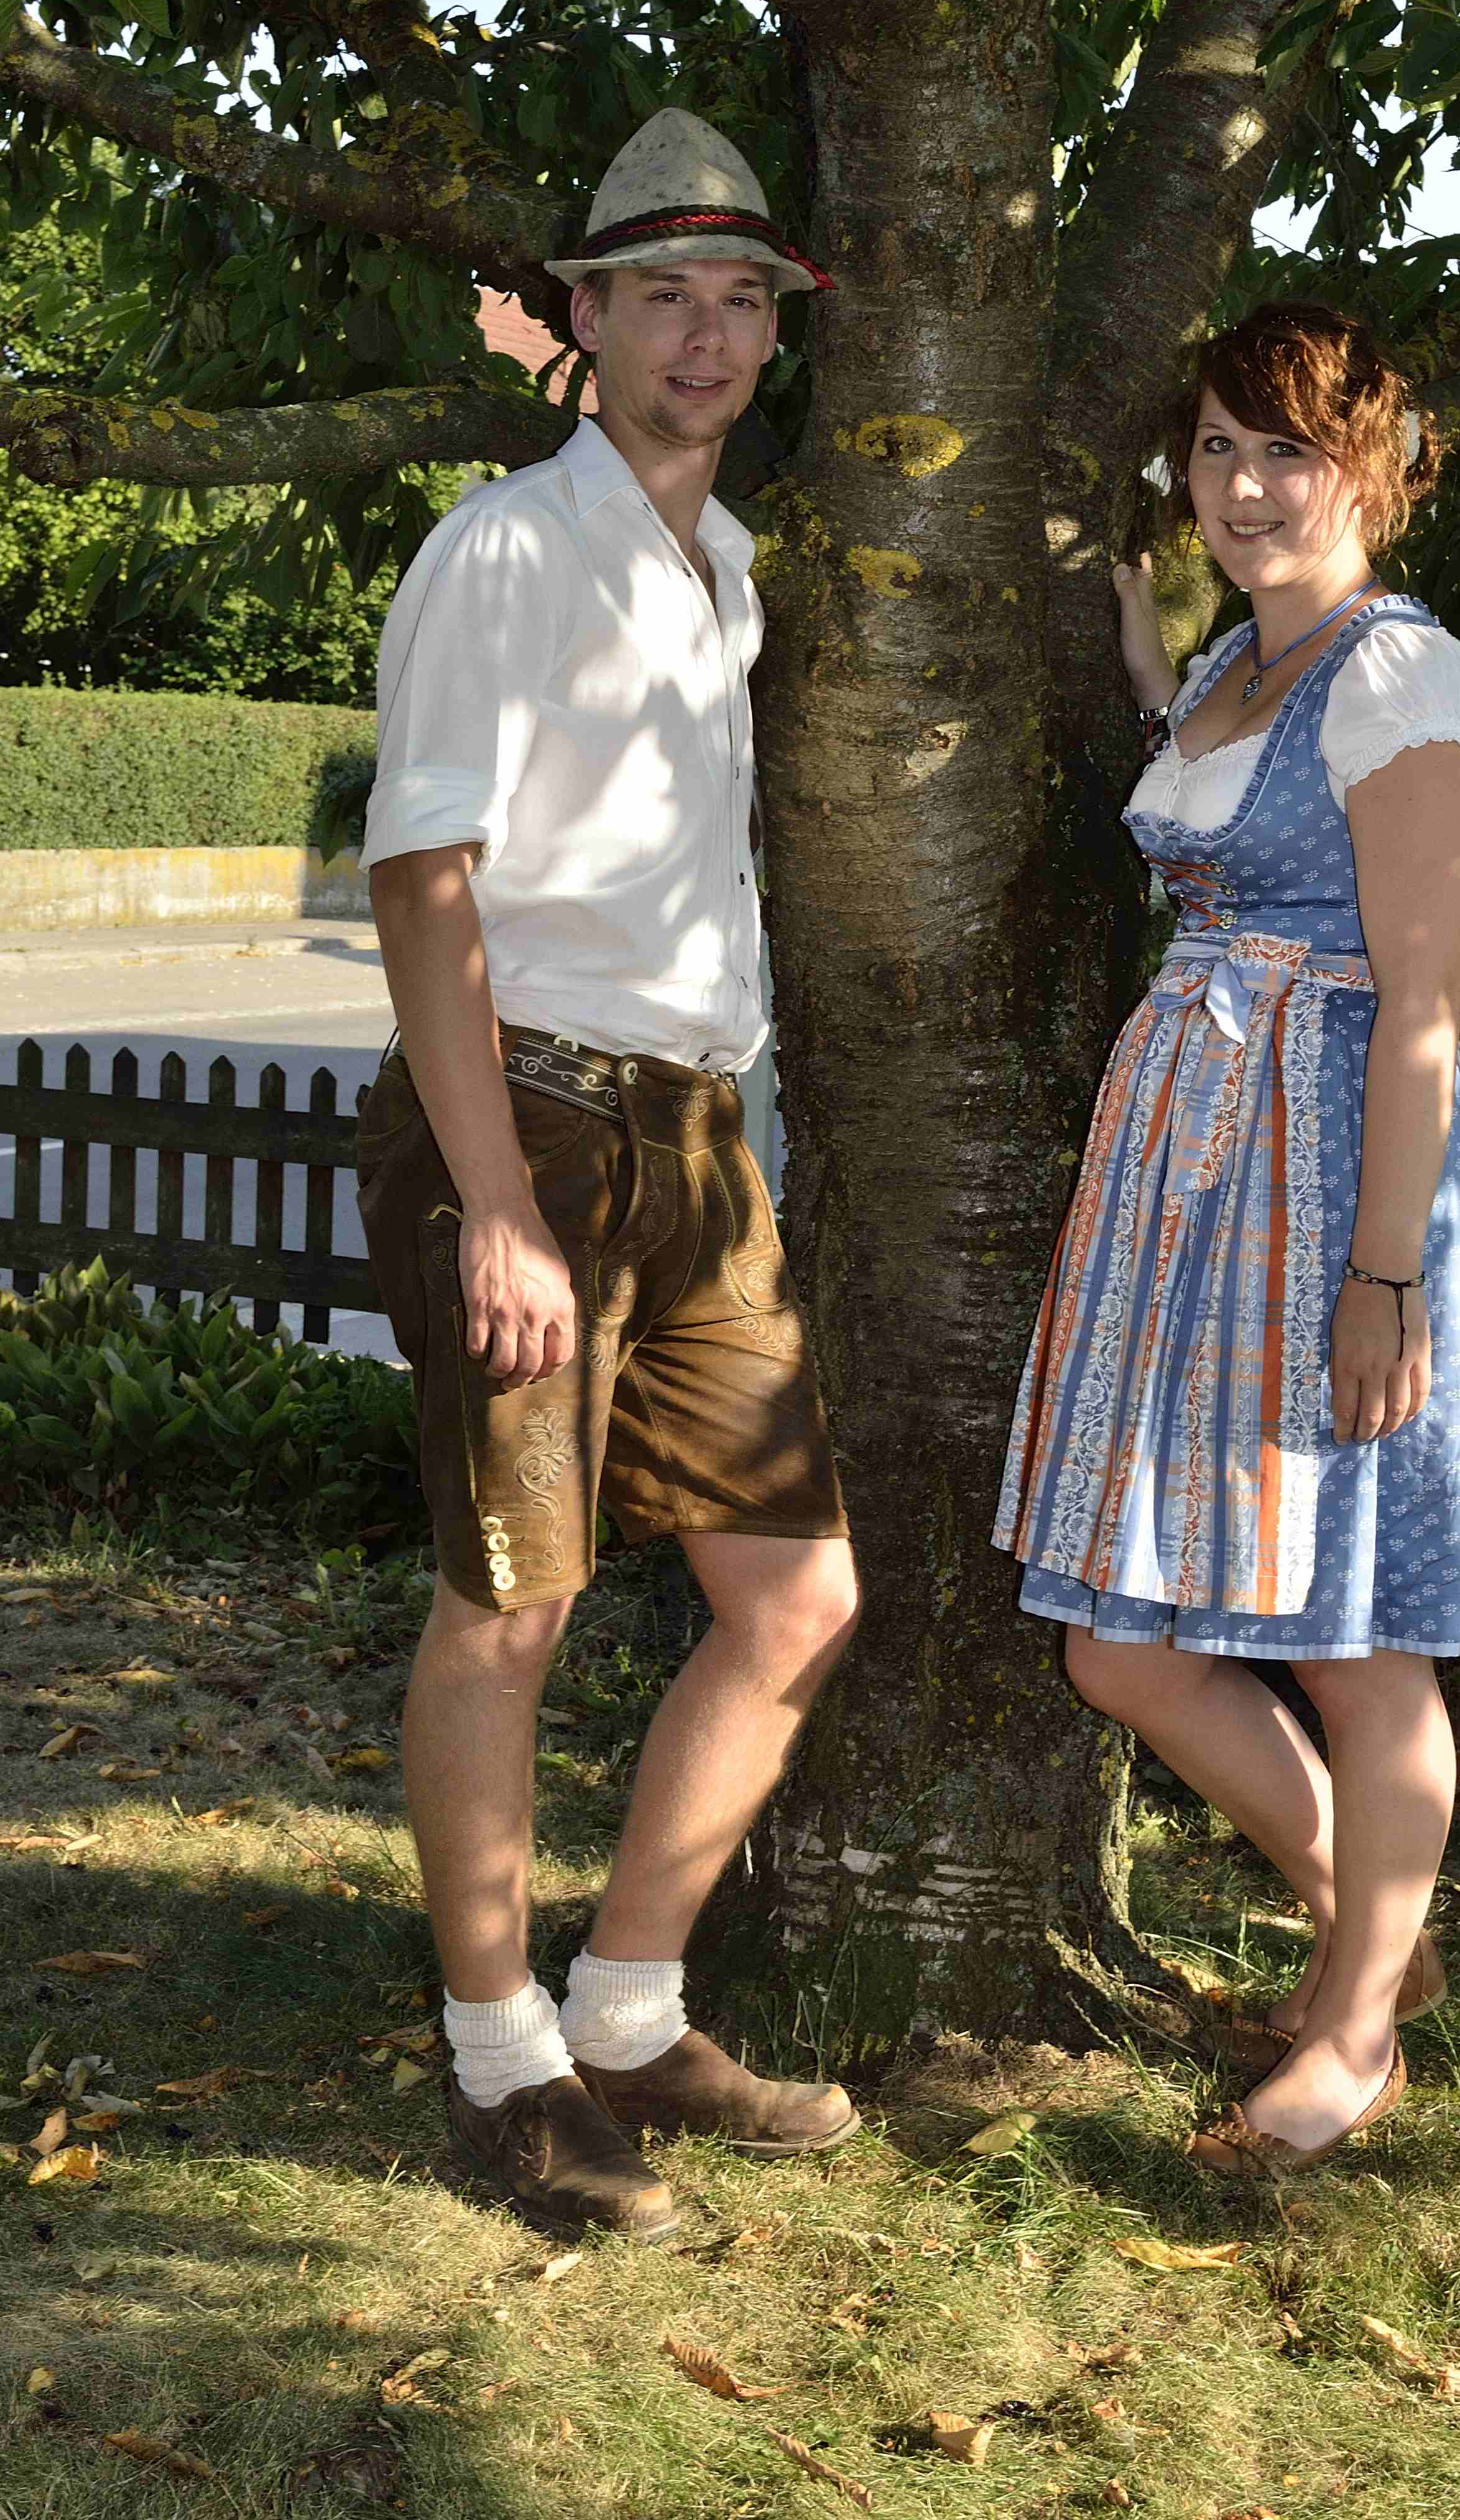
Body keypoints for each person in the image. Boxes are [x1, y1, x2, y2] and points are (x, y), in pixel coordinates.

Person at [994, 303, 1460, 2177]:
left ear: (1376, 473)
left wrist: (1383, 1279)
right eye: (1218, 448)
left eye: (1290, 452)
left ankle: (1350, 2036)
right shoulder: (1231, 666)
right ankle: (1373, 1934)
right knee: (1121, 1647)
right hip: (1193, 1175)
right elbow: (1214, 819)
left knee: (1356, 1636)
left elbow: (1423, 1000)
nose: (1247, 487)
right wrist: (1138, 648)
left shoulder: (1401, 677)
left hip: (1335, 1180)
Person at [355, 109, 860, 2240]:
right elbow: (421, 882)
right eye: (662, 294)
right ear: (583, 314)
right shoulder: (503, 551)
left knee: (796, 1593)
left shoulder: (722, 566)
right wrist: (491, 1200)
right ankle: (501, 2061)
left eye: (741, 298)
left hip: (699, 1138)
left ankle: (631, 2007)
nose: (706, 335)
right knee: (517, 1597)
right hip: (531, 1123)